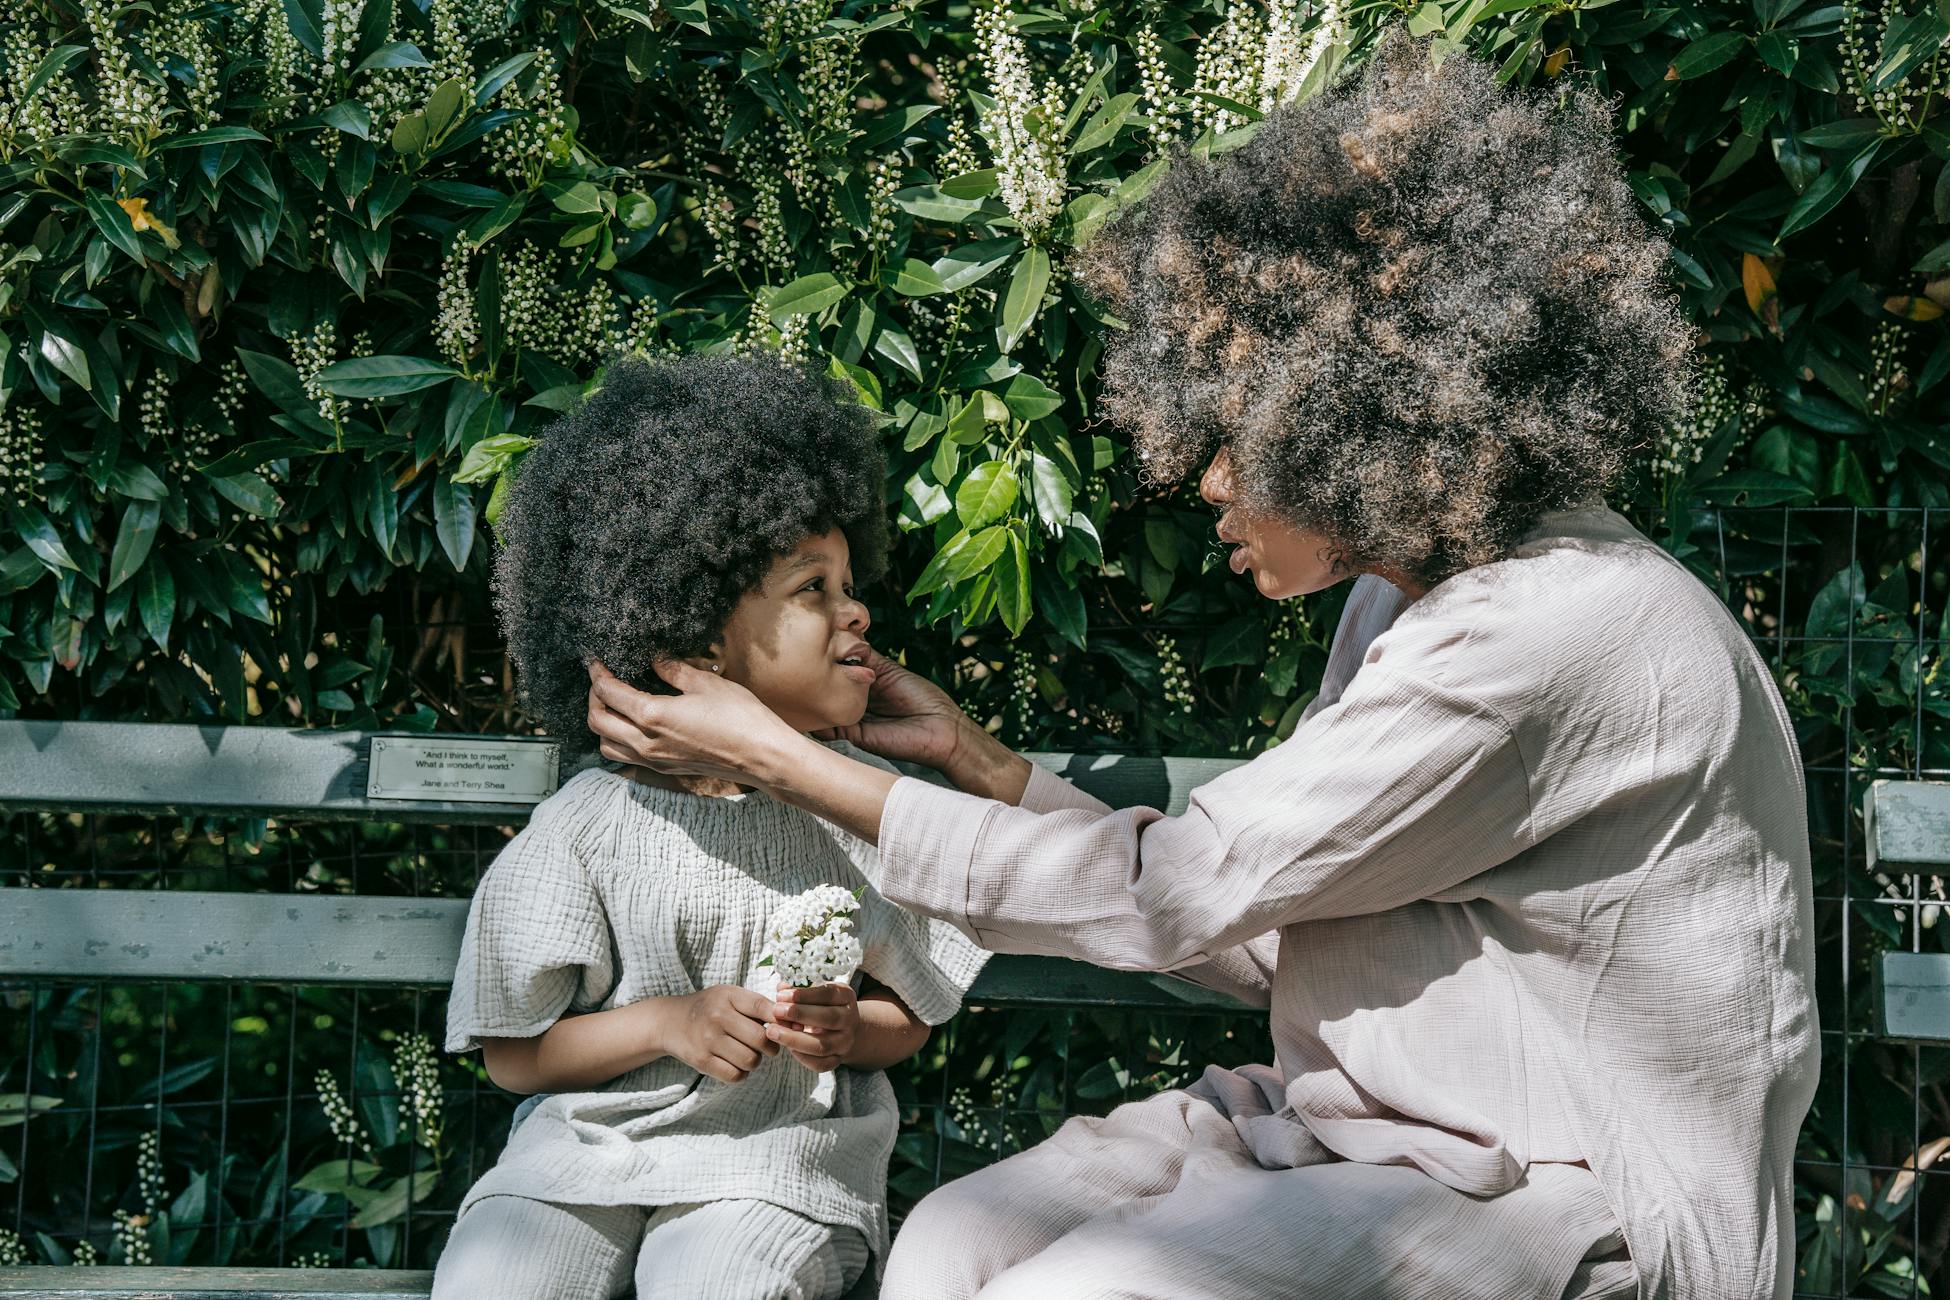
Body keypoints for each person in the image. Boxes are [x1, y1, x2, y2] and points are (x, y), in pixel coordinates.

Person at [582, 32, 1818, 1300]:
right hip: (1358, 1132)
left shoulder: (1549, 632)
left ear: (1358, 419)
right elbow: (1281, 927)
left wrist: (781, 761)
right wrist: (981, 764)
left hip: (1571, 1194)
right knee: (954, 1245)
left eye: (1233, 433)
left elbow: (1177, 892)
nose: (1206, 479)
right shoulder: (1407, 599)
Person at [433, 355, 988, 1300]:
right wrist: (667, 1024)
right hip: (579, 1162)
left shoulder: (857, 805)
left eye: (850, 581)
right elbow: (514, 1055)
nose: (855, 609)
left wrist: (849, 1031)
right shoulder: (584, 829)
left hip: (774, 1168)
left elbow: (914, 1018)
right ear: (695, 642)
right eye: (812, 587)